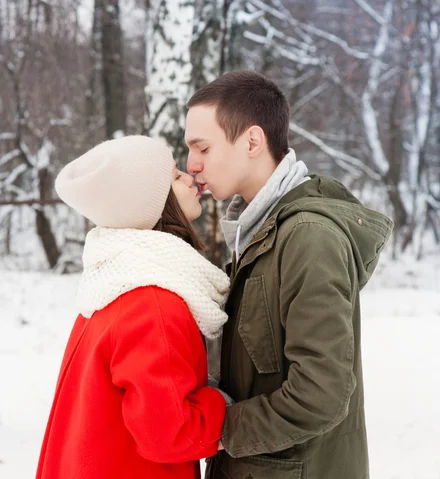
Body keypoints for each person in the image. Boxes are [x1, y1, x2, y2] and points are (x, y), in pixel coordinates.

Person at [184, 70, 393, 479]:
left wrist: (221, 429)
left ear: (252, 141)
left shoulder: (308, 237)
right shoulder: (260, 231)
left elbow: (321, 393)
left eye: (202, 147)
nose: (191, 164)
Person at [36, 135, 232, 479]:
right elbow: (170, 434)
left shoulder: (110, 285)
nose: (189, 176)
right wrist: (223, 407)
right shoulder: (152, 301)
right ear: (150, 202)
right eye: (174, 177)